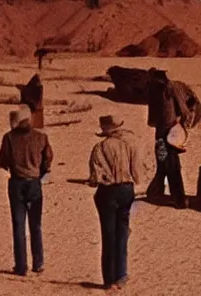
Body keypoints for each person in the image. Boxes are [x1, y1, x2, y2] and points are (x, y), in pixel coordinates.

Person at [0, 104, 54, 276]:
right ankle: (39, 263)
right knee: (36, 225)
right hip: (34, 182)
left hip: (16, 183)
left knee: (18, 225)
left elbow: (3, 161)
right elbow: (48, 160)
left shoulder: (8, 138)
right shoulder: (41, 137)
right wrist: (39, 172)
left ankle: (21, 266)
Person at [89, 115, 142, 290]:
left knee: (108, 235)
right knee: (122, 232)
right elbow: (137, 173)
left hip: (107, 192)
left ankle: (109, 279)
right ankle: (121, 274)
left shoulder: (99, 148)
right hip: (127, 189)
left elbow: (95, 177)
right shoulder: (129, 145)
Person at [145, 68, 190, 209]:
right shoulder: (173, 89)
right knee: (169, 164)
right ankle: (158, 192)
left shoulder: (159, 92)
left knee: (168, 164)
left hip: (164, 134)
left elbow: (152, 120)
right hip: (172, 133)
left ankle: (178, 199)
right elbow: (185, 110)